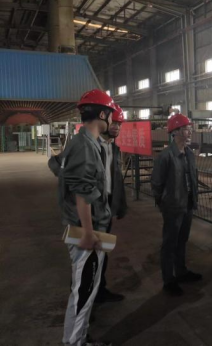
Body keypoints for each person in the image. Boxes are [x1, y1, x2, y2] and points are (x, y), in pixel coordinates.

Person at [48, 89, 115, 346]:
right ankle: (74, 342)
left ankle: (79, 339)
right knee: (83, 292)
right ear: (103, 114)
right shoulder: (85, 146)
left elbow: (57, 167)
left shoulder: (83, 142)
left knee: (86, 290)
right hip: (85, 230)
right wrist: (88, 232)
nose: (112, 120)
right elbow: (82, 192)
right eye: (110, 114)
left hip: (86, 226)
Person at [151, 113, 201, 296]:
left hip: (187, 204)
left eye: (189, 128)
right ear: (176, 132)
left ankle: (181, 272)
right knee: (170, 243)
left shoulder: (189, 154)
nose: (190, 132)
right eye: (186, 129)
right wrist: (164, 202)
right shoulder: (165, 156)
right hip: (172, 206)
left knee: (182, 240)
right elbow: (156, 183)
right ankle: (168, 280)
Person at [95, 104, 128, 303]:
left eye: (120, 124)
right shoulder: (90, 147)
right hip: (91, 209)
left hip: (107, 207)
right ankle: (86, 305)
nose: (117, 127)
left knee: (102, 251)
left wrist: (120, 204)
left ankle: (100, 289)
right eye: (114, 122)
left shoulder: (113, 148)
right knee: (88, 257)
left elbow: (116, 180)